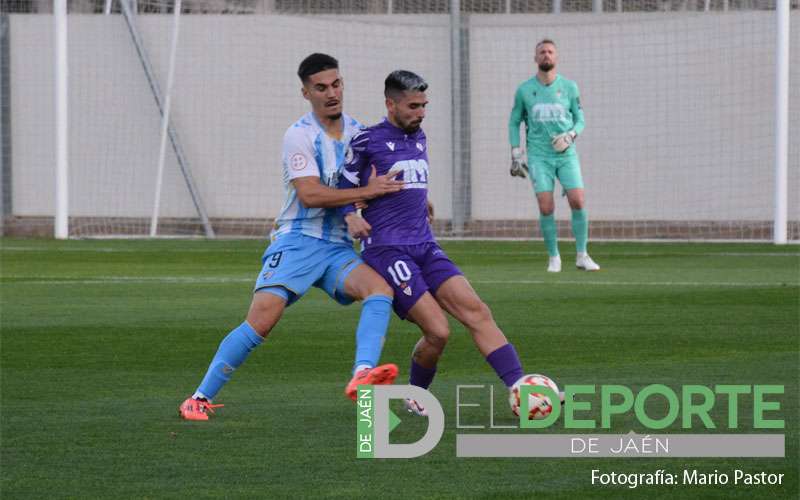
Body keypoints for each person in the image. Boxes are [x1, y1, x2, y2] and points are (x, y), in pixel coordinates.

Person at [179, 53, 404, 421]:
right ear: (305, 93)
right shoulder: (299, 135)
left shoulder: (360, 133)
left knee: (380, 290)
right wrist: (365, 195)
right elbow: (310, 194)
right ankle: (199, 398)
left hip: (336, 248)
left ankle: (362, 374)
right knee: (261, 322)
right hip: (297, 240)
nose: (331, 93)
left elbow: (377, 181)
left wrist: (412, 199)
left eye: (336, 84)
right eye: (321, 87)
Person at [337, 70, 528, 416]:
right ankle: (416, 393)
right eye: (413, 105)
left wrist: (420, 200)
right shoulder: (367, 140)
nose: (421, 112)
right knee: (438, 332)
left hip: (425, 244)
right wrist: (351, 214)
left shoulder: (418, 136)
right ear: (390, 104)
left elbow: (405, 178)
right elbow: (343, 185)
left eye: (424, 105)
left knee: (477, 311)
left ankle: (521, 387)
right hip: (387, 250)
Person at [508, 39, 600, 273]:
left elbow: (581, 119)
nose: (546, 55)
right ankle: (554, 257)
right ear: (535, 58)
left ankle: (582, 255)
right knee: (546, 206)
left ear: (556, 58)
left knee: (578, 200)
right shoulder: (524, 90)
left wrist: (571, 135)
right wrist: (516, 152)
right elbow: (514, 121)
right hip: (539, 157)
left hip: (566, 155)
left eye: (550, 52)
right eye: (542, 52)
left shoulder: (569, 87)